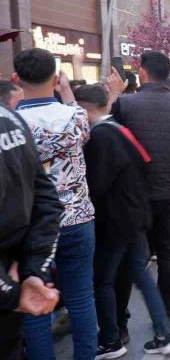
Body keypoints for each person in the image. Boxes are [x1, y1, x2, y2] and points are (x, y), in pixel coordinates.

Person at [75, 85, 170, 357]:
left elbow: (96, 185)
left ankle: (110, 340)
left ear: (84, 109)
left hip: (115, 222)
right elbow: (145, 164)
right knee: (143, 277)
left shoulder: (99, 137)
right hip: (136, 216)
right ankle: (164, 334)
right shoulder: (122, 131)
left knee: (102, 282)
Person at [13, 48, 98, 360]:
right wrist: (67, 92)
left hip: (32, 225)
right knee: (81, 297)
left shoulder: (12, 123)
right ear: (55, 76)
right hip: (77, 217)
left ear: (16, 78)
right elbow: (82, 125)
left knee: (34, 299)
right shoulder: (74, 116)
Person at [111, 51, 170, 328]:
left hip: (133, 197)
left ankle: (119, 324)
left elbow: (110, 138)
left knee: (129, 259)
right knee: (167, 257)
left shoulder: (125, 104)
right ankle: (166, 315)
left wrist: (116, 95)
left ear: (142, 72)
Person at [0, 104, 62, 360]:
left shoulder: (11, 118)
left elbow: (44, 199)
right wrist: (30, 275)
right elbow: (47, 200)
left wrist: (29, 277)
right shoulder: (10, 118)